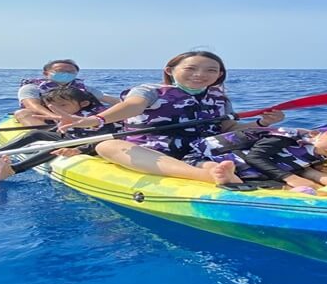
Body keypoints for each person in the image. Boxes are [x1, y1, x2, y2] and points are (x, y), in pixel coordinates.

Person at [58, 51, 284, 185]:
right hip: (154, 148)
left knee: (277, 135)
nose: (200, 75)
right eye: (191, 68)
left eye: (211, 71)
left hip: (203, 147)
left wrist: (262, 123)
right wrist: (96, 120)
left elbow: (228, 128)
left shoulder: (219, 97)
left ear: (219, 75)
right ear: (171, 70)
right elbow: (132, 107)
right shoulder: (150, 90)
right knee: (107, 146)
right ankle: (206, 176)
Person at [0, 85, 114, 181]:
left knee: (57, 146)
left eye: (63, 105)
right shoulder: (71, 112)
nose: (57, 110)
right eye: (51, 106)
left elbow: (102, 139)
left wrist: (80, 149)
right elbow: (61, 128)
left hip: (95, 142)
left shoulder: (95, 114)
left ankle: (14, 169)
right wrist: (53, 130)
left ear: (84, 103)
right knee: (35, 134)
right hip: (75, 137)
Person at [185, 125, 327, 194]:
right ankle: (224, 175)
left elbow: (302, 168)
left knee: (307, 174)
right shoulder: (286, 137)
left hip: (253, 167)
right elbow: (256, 156)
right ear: (318, 133)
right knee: (214, 166)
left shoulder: (315, 153)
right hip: (213, 156)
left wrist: (317, 173)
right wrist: (291, 177)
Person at [15, 59, 119, 126]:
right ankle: (48, 138)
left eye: (70, 72)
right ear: (46, 73)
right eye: (60, 71)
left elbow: (109, 99)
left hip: (80, 117)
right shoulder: (31, 88)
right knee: (23, 113)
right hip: (47, 118)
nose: (66, 74)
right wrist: (56, 117)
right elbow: (32, 106)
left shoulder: (84, 88)